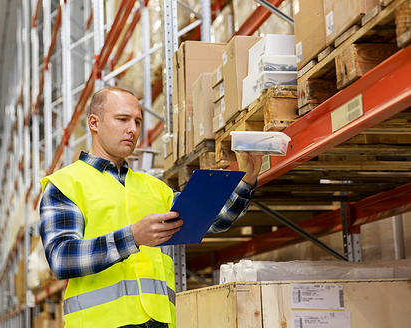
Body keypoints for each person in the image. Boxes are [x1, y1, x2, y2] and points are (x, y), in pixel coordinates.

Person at [40, 87, 262, 328]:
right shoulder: (65, 183)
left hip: (159, 322)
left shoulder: (154, 187)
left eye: (137, 121)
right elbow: (62, 259)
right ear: (94, 123)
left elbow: (213, 219)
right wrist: (132, 237)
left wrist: (246, 180)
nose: (133, 129)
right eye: (123, 119)